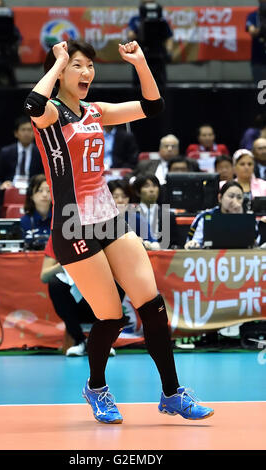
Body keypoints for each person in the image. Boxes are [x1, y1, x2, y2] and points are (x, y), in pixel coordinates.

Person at [24, 39, 213, 423]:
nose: (87, 72)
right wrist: (59, 61)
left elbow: (152, 107)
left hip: (109, 217)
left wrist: (141, 63)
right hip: (72, 224)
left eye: (90, 66)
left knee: (152, 305)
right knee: (110, 316)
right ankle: (96, 388)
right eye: (79, 65)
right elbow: (31, 105)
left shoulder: (96, 111)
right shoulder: (50, 115)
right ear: (60, 72)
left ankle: (172, 393)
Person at [41, 235, 119, 357]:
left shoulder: (103, 231)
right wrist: (62, 265)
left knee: (118, 281)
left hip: (98, 301)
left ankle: (103, 342)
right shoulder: (57, 237)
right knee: (54, 283)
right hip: (74, 305)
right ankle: (80, 341)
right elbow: (44, 276)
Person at [127, 0, 173, 91]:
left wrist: (169, 51)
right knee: (139, 84)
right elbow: (130, 35)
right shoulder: (136, 20)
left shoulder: (162, 21)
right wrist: (139, 30)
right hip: (141, 55)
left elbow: (168, 37)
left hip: (158, 55)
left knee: (160, 84)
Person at [185, 181, 245, 249]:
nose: (235, 201)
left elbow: (256, 244)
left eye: (239, 197)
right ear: (220, 198)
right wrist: (194, 244)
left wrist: (240, 218)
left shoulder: (248, 219)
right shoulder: (205, 216)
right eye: (231, 196)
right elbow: (195, 242)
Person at [107, 178, 158, 248]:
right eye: (115, 197)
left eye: (124, 196)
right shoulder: (99, 221)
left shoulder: (138, 219)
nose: (120, 200)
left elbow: (154, 244)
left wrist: (144, 244)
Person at [131, 134, 199, 185]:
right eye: (166, 146)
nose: (169, 149)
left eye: (173, 146)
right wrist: (136, 181)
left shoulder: (191, 163)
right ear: (160, 149)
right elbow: (128, 177)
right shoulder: (145, 164)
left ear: (178, 150)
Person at [20, 174, 51, 250]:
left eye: (48, 191)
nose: (45, 194)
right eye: (40, 191)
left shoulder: (60, 221)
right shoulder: (23, 222)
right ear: (31, 195)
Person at [246, 0, 266, 84]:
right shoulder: (253, 15)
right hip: (258, 60)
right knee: (260, 88)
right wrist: (262, 28)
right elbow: (252, 31)